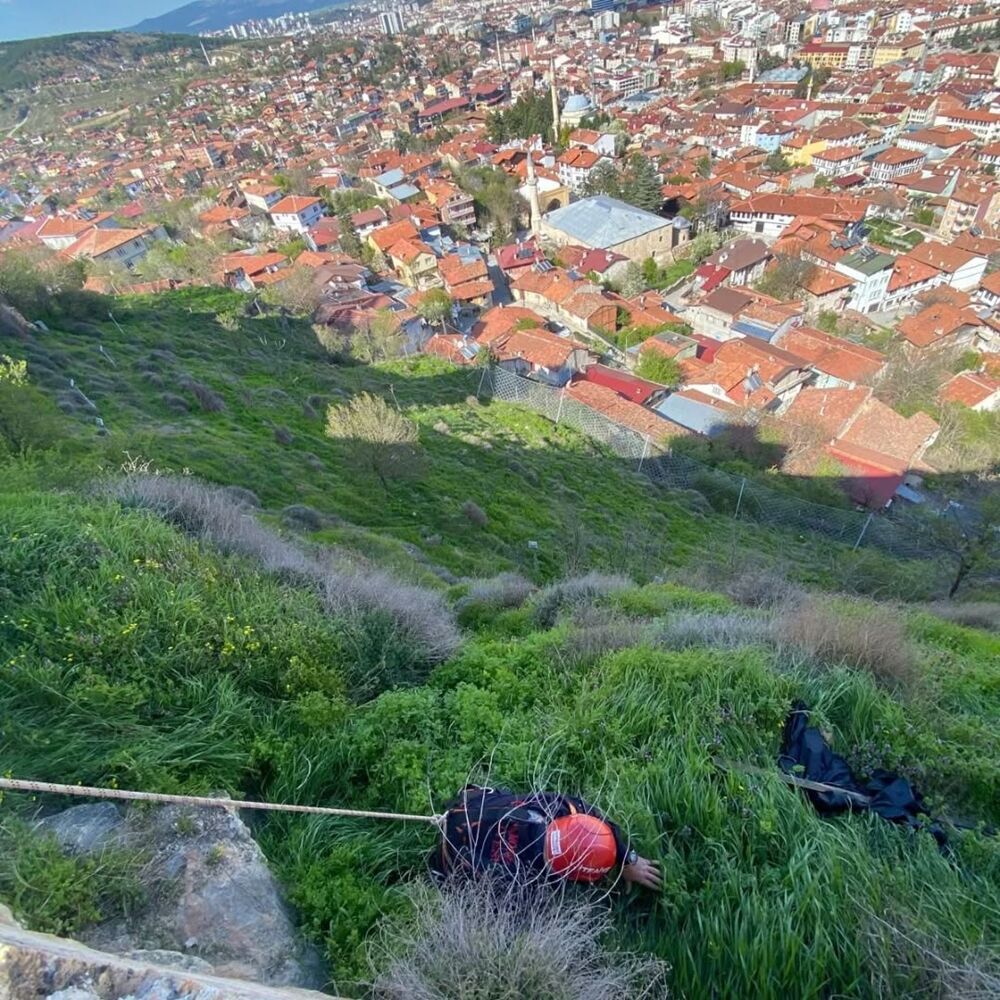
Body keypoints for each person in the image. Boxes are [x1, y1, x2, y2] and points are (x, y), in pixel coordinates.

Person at [429, 785, 662, 890]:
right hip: (448, 854)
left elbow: (594, 817)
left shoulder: (554, 808)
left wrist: (627, 858)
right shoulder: (519, 882)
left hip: (469, 804)